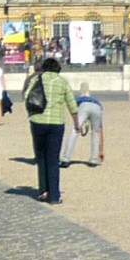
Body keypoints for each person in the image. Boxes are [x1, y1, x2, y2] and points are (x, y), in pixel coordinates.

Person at [24, 56, 79, 204]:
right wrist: (76, 122)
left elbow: (27, 96)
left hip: (38, 121)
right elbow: (72, 104)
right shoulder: (62, 82)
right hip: (56, 123)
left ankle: (43, 191)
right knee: (53, 160)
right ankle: (54, 195)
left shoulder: (37, 79)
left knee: (41, 158)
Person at [65, 91, 106, 167]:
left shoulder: (79, 99)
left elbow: (70, 104)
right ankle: (93, 159)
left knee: (75, 130)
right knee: (95, 132)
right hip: (98, 108)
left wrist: (76, 122)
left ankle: (66, 158)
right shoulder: (97, 103)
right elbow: (100, 131)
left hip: (84, 105)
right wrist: (101, 150)